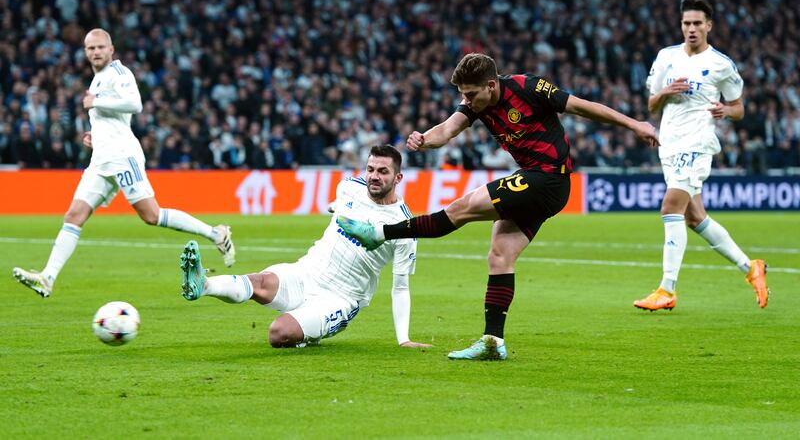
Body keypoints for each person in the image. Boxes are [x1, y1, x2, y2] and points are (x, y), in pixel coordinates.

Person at [338, 53, 659, 360]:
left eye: (471, 94)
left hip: (547, 178)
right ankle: (493, 341)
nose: (467, 100)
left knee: (460, 209)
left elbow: (583, 107)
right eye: (463, 94)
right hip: (537, 183)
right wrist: (424, 139)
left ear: (491, 85)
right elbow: (447, 129)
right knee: (500, 255)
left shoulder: (529, 88)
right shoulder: (475, 104)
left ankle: (379, 233)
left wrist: (635, 125)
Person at [12, 28, 235, 298]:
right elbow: (113, 119)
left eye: (100, 47)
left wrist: (98, 101)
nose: (96, 52)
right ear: (85, 52)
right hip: (101, 158)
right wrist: (96, 137)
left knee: (152, 215)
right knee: (74, 215)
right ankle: (47, 278)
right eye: (90, 48)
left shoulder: (119, 73)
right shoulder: (97, 80)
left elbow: (135, 104)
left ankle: (216, 234)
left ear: (111, 49)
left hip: (122, 156)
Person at [180, 145, 430, 349]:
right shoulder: (350, 188)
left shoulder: (404, 226)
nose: (374, 176)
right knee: (260, 282)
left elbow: (400, 288)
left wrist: (403, 339)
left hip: (339, 298)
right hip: (306, 272)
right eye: (371, 169)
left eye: (383, 171)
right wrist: (334, 206)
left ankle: (310, 333)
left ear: (398, 178)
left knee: (279, 333)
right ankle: (203, 285)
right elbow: (338, 202)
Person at [633, 0, 768, 312]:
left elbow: (739, 108)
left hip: (698, 143)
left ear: (709, 25)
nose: (691, 29)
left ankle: (667, 290)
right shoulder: (666, 57)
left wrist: (725, 109)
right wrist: (665, 92)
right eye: (686, 23)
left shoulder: (721, 64)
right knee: (695, 217)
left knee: (671, 207)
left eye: (697, 23)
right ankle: (751, 268)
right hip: (670, 143)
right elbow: (652, 104)